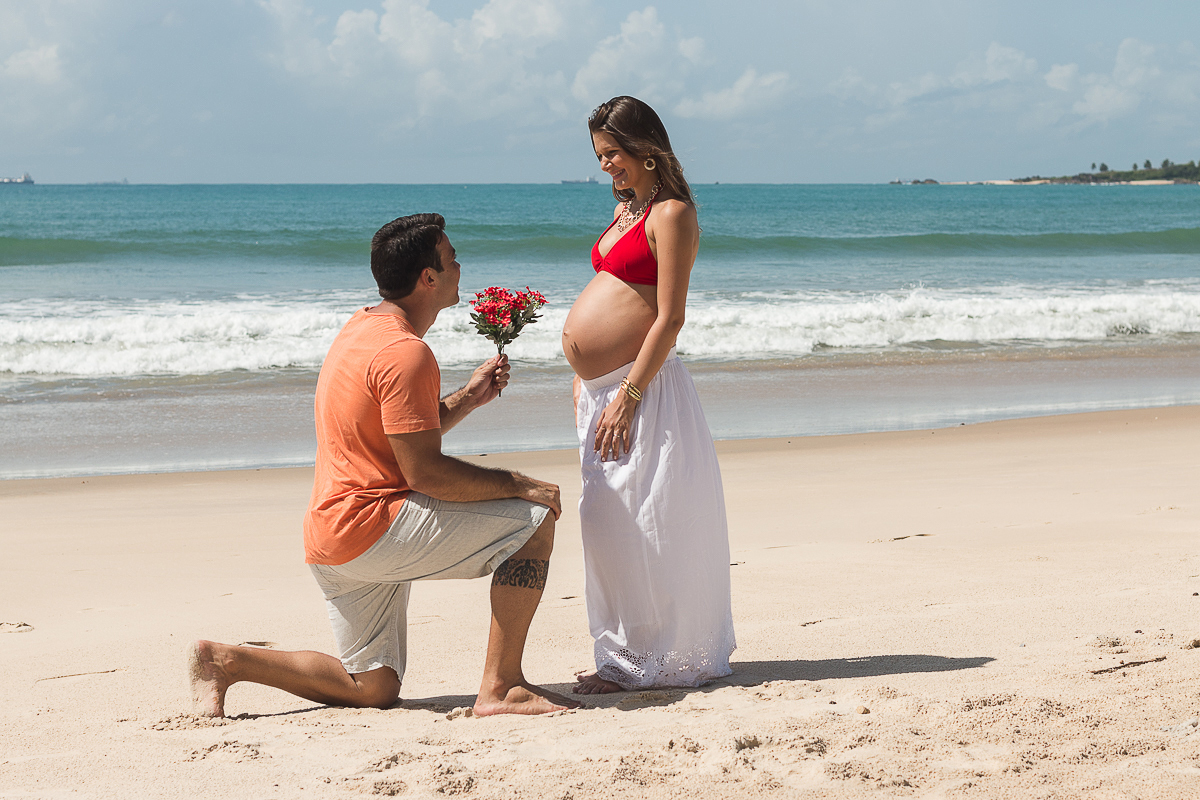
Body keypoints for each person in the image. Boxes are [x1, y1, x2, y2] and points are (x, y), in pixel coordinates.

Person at [190, 213, 582, 717]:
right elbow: (425, 474)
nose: (460, 266)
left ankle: (223, 660)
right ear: (429, 278)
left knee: (371, 688)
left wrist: (467, 399)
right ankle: (501, 687)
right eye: (452, 258)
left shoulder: (362, 327)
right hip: (371, 531)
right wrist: (522, 484)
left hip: (330, 538)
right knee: (534, 523)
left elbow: (397, 437)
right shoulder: (407, 353)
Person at [561, 96, 736, 694]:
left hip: (642, 389)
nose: (606, 167)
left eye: (612, 154)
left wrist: (629, 393)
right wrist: (582, 379)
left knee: (646, 521)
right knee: (606, 524)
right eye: (600, 157)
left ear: (645, 149)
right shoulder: (626, 211)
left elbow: (669, 317)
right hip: (601, 391)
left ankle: (648, 659)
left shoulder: (673, 215)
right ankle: (622, 655)